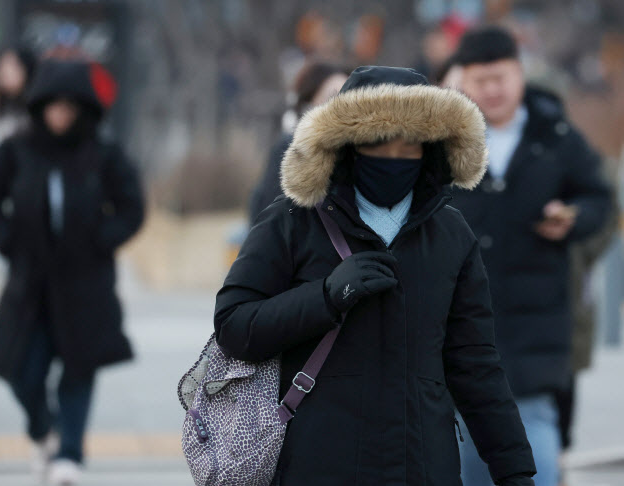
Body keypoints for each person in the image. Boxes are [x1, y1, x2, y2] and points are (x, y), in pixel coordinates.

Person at [215, 66, 536, 486]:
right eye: (378, 142)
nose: (394, 157)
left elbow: (475, 365)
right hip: (315, 468)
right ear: (347, 144)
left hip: (421, 467)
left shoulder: (452, 235)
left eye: (410, 145)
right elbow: (235, 326)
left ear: (433, 147)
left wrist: (515, 472)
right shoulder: (292, 221)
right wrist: (325, 298)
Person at [448, 26, 613, 486]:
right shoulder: (445, 141)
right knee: (465, 445)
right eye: (481, 81)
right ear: (463, 82)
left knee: (532, 435)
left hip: (536, 320)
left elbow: (600, 199)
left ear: (520, 74)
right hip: (462, 319)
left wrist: (574, 216)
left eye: (500, 78)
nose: (492, 90)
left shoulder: (556, 133)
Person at [0, 58, 145, 485]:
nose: (61, 113)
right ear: (40, 105)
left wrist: (102, 240)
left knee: (79, 370)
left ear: (84, 107)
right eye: (53, 105)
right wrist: (9, 241)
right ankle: (42, 427)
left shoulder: (102, 152)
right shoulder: (17, 149)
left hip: (86, 285)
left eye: (70, 105)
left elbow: (132, 207)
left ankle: (69, 454)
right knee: (20, 370)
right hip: (30, 286)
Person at [248, 62, 349, 222]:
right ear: (308, 102)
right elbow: (266, 216)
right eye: (332, 97)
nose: (341, 107)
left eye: (349, 98)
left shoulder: (360, 151)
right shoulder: (289, 147)